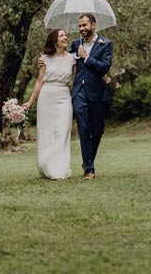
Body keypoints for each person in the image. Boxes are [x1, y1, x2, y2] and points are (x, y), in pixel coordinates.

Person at [39, 13, 113, 180]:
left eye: (84, 25)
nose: (81, 29)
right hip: (79, 93)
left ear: (93, 25)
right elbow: (62, 59)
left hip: (98, 94)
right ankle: (89, 169)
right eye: (79, 26)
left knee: (98, 130)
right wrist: (43, 61)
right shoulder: (75, 44)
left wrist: (87, 58)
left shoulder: (106, 44)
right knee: (84, 129)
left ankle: (88, 160)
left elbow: (104, 67)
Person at [23, 29, 75, 180]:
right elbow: (40, 81)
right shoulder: (44, 59)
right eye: (62, 35)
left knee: (63, 132)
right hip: (47, 97)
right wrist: (30, 101)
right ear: (55, 40)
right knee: (47, 133)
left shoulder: (72, 59)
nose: (65, 37)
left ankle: (60, 169)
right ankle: (46, 166)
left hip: (64, 96)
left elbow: (79, 77)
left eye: (66, 35)